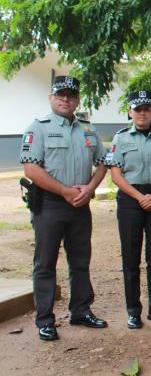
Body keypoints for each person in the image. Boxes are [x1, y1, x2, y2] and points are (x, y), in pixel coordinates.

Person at [19, 75, 108, 341]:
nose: (66, 99)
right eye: (61, 95)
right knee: (45, 263)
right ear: (51, 98)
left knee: (80, 261)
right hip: (50, 205)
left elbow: (103, 162)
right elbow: (31, 168)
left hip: (80, 205)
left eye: (71, 95)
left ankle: (81, 310)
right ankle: (45, 320)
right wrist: (65, 191)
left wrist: (90, 188)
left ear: (77, 99)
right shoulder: (39, 128)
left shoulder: (88, 130)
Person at [106, 91, 151, 329]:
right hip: (130, 200)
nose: (142, 113)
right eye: (138, 109)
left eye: (147, 109)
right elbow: (116, 174)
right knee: (131, 257)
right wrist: (140, 197)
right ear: (130, 112)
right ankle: (133, 311)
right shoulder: (121, 138)